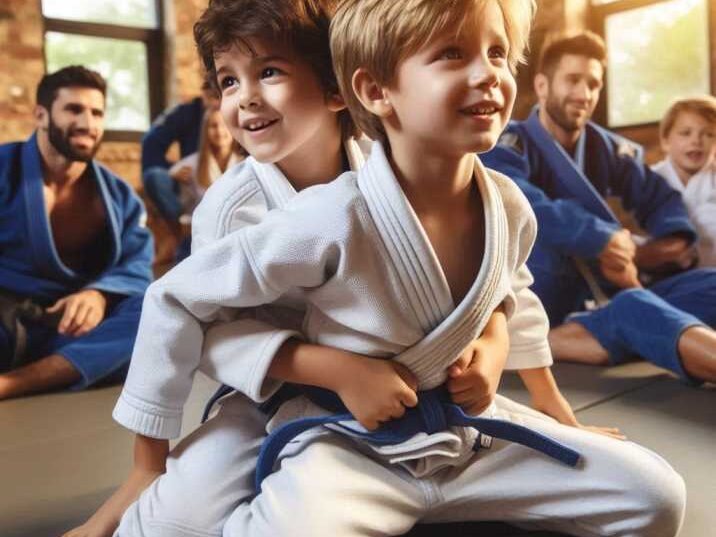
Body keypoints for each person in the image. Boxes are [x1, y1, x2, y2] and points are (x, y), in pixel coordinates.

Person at [110, 1, 685, 536]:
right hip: (296, 398)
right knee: (173, 518)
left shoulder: (472, 187)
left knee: (656, 493)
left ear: (338, 91)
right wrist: (333, 370)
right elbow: (197, 315)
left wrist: (507, 357)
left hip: (443, 411)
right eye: (229, 80)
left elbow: (504, 287)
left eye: (498, 54)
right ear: (373, 89)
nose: (245, 98)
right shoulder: (275, 210)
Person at [482, 31, 716, 385]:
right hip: (551, 303)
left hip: (608, 292)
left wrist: (661, 248)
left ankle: (610, 337)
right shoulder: (507, 144)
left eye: (593, 83)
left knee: (708, 284)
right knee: (633, 309)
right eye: (573, 80)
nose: (584, 94)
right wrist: (602, 238)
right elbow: (518, 199)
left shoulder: (606, 147)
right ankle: (553, 338)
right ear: (542, 86)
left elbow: (660, 198)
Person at [0, 66, 153, 400]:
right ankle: (62, 371)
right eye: (74, 109)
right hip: (5, 318)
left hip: (69, 329)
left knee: (153, 311)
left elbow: (137, 263)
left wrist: (99, 294)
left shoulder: (119, 196)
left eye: (96, 112)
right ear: (41, 115)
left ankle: (13, 383)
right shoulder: (3, 169)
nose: (88, 123)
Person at [141, 82, 220, 263]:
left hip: (225, 182)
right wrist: (172, 171)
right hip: (191, 186)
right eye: (212, 96)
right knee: (155, 178)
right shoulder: (187, 113)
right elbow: (151, 141)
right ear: (204, 95)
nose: (217, 104)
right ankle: (175, 234)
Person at [168, 107, 246, 260]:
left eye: (224, 125)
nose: (219, 131)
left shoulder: (245, 163)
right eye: (213, 126)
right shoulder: (194, 163)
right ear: (206, 131)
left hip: (236, 231)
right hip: (202, 229)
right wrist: (173, 175)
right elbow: (169, 174)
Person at [652, 96, 716, 267]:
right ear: (665, 141)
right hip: (667, 276)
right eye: (685, 133)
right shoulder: (651, 180)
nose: (696, 141)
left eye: (708, 134)